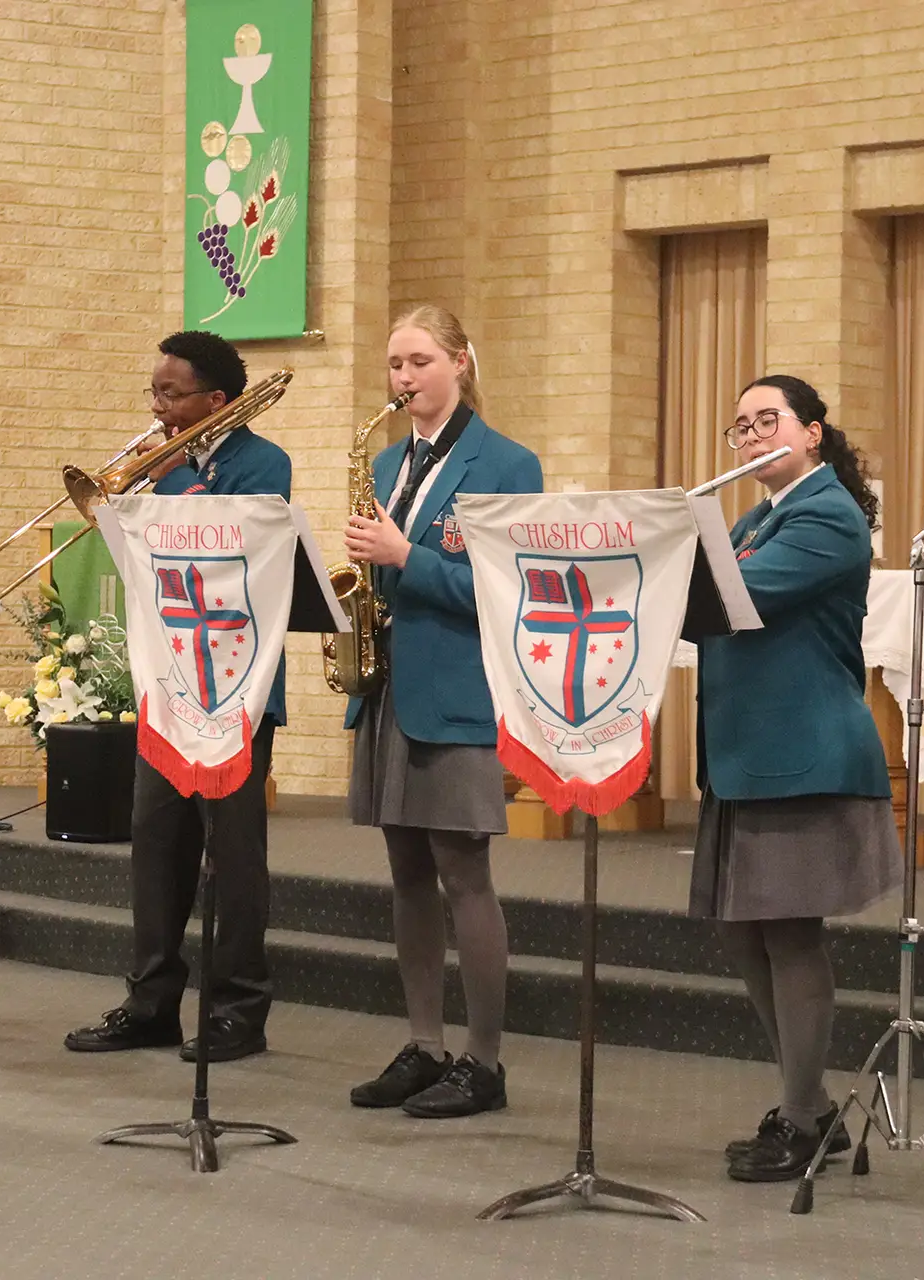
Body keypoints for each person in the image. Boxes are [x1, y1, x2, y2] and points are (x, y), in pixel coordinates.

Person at [692, 374, 903, 1182]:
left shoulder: (827, 514)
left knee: (788, 934)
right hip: (749, 754)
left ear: (812, 432)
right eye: (740, 426)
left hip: (802, 753)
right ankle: (807, 1105)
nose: (750, 437)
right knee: (744, 931)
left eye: (766, 421)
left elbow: (735, 595)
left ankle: (805, 1119)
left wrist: (664, 548)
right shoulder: (756, 517)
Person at [65, 330, 290, 1063]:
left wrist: (175, 480)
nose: (157, 407)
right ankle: (151, 1003)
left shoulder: (264, 463)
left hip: (236, 689)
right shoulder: (160, 467)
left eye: (170, 394)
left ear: (215, 401)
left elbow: (232, 551)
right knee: (156, 847)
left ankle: (238, 1011)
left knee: (233, 856)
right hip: (168, 684)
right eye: (154, 392)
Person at [342, 304, 541, 1118]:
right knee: (407, 876)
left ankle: (483, 1062)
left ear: (461, 361)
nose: (404, 378)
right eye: (395, 364)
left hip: (458, 693)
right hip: (391, 690)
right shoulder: (388, 463)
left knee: (465, 876)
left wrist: (404, 557)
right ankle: (425, 1046)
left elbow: (507, 592)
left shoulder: (509, 465)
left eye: (420, 361)